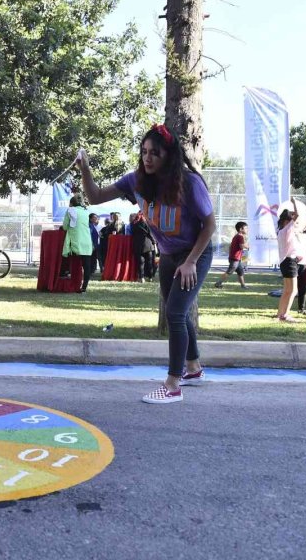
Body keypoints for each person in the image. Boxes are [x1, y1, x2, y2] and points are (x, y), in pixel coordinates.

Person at [77, 124, 216, 404]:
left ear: (169, 155)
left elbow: (209, 225)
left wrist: (190, 262)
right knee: (179, 311)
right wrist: (85, 168)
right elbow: (94, 197)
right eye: (143, 152)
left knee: (175, 313)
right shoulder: (136, 181)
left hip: (195, 254)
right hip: (167, 254)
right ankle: (194, 368)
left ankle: (173, 385)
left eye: (155, 153)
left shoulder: (189, 183)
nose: (147, 158)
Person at [275, 202, 305, 323]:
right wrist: (294, 203)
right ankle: (285, 315)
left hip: (285, 262)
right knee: (293, 290)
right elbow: (297, 215)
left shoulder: (281, 231)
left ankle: (279, 314)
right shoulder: (287, 229)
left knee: (286, 290)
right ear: (287, 221)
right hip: (289, 262)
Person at [60, 194, 93, 292]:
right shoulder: (86, 211)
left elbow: (65, 227)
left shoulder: (70, 210)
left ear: (71, 203)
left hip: (75, 241)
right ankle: (84, 287)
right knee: (86, 266)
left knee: (75, 265)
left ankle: (74, 285)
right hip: (87, 241)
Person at [214, 222, 250, 289]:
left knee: (240, 272)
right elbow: (241, 246)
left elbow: (231, 246)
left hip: (235, 258)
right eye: (246, 228)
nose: (247, 230)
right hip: (235, 259)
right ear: (240, 229)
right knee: (229, 272)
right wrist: (248, 247)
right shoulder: (240, 237)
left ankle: (243, 285)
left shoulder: (236, 236)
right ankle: (218, 283)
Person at [131, 212, 155, 283]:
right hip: (148, 245)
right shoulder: (146, 224)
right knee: (150, 262)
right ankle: (150, 277)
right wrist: (154, 242)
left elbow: (133, 234)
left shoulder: (134, 224)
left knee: (141, 262)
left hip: (138, 245)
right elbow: (150, 234)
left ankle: (142, 278)